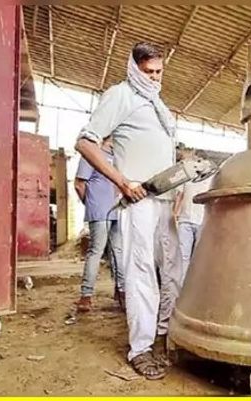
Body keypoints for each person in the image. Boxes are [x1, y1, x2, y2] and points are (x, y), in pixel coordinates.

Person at [75, 42, 182, 380]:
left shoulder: (157, 104)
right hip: (138, 196)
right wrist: (121, 181)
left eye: (159, 72)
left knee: (172, 272)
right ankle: (140, 348)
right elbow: (85, 142)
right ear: (134, 68)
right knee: (140, 272)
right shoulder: (120, 94)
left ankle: (163, 336)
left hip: (165, 197)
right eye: (147, 72)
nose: (153, 78)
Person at [73, 136, 125, 312]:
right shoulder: (93, 153)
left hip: (113, 210)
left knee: (110, 252)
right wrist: (91, 204)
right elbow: (79, 184)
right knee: (102, 251)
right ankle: (89, 295)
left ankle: (118, 292)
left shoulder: (114, 157)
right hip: (104, 209)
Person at [173, 150, 214, 282]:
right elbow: (180, 196)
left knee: (198, 255)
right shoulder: (188, 177)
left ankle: (196, 283)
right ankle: (182, 284)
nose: (197, 164)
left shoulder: (211, 179)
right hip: (185, 220)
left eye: (200, 161)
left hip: (202, 220)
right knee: (182, 255)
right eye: (195, 160)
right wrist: (175, 213)